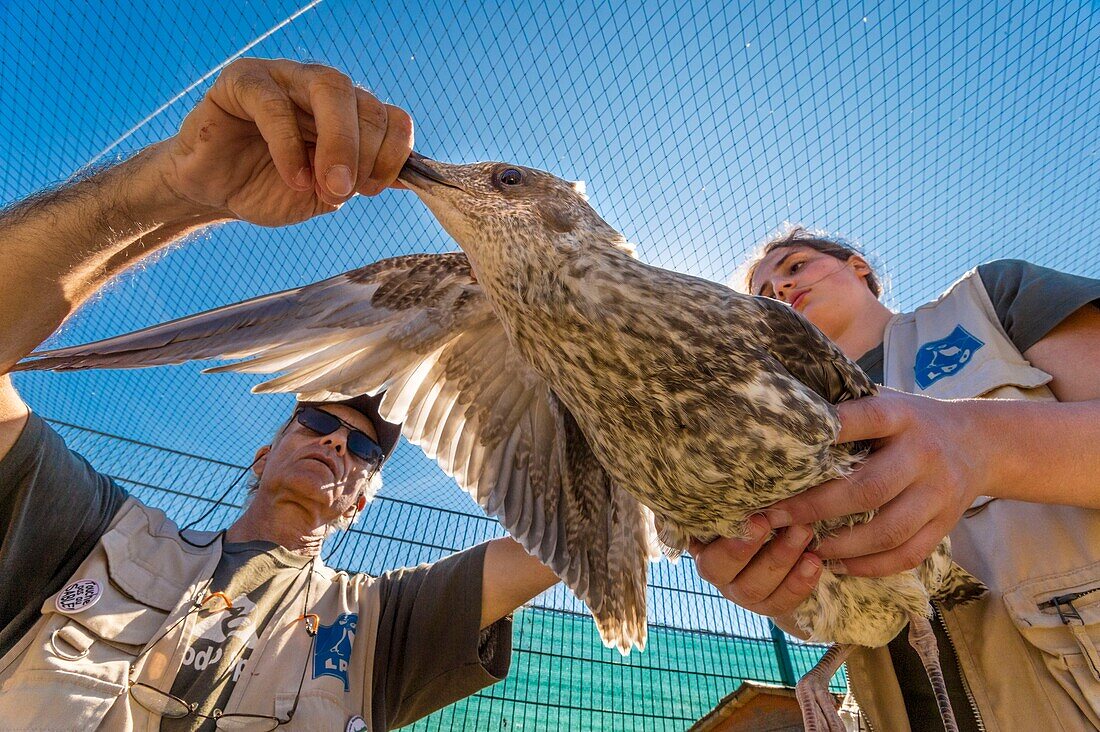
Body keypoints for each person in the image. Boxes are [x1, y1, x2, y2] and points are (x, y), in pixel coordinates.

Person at [0, 57, 559, 730]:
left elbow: (578, 533)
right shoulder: (94, 536)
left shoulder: (384, 628)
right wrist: (173, 187)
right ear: (262, 455)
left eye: (362, 447)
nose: (336, 440)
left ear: (361, 502)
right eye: (321, 417)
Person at [690, 225, 1100, 730]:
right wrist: (781, 592)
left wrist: (976, 442)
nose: (780, 290)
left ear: (859, 267)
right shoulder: (760, 418)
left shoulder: (988, 302)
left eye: (795, 267)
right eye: (762, 294)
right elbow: (827, 600)